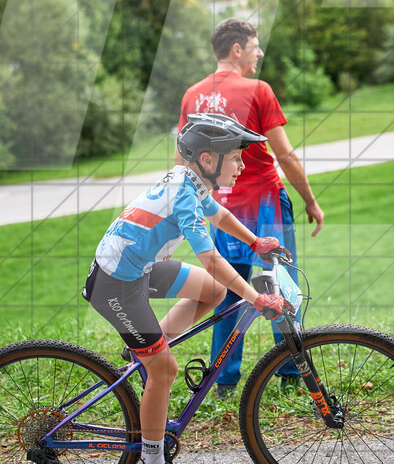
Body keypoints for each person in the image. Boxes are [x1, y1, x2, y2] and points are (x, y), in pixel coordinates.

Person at [84, 114, 293, 464]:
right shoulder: (184, 194)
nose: (242, 165)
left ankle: (141, 350)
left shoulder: (191, 181)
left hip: (137, 268)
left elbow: (221, 217)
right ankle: (153, 457)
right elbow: (211, 259)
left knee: (213, 291)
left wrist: (257, 242)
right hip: (115, 283)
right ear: (209, 160)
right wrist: (256, 299)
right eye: (237, 157)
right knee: (165, 370)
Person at [177, 18, 324, 398]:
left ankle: (223, 382)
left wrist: (186, 203)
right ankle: (293, 374)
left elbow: (182, 159)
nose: (259, 53)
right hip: (264, 204)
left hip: (219, 207)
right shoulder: (258, 90)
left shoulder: (192, 94)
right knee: (281, 285)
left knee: (228, 289)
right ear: (236, 50)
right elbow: (285, 154)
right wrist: (310, 199)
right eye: (255, 47)